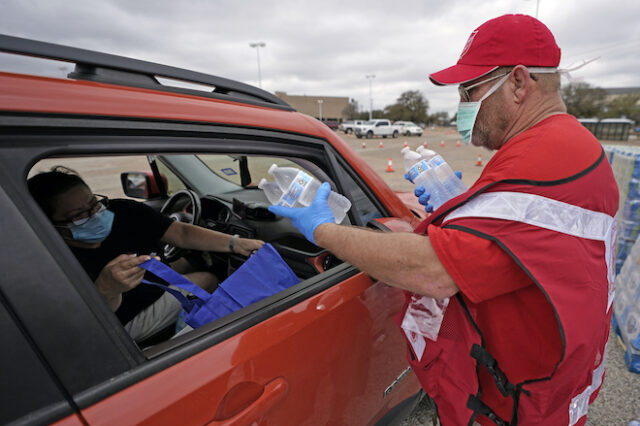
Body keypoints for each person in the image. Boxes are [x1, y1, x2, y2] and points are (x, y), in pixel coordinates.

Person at [268, 14, 618, 426]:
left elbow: (433, 271)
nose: (463, 107)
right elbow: (530, 240)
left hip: (527, 403)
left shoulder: (543, 157)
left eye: (470, 91)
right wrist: (465, 209)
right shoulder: (566, 145)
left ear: (519, 83)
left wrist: (324, 229)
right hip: (545, 382)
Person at [28, 166, 264, 343]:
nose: (94, 215)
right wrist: (105, 291)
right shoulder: (48, 260)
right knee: (208, 279)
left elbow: (179, 232)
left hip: (148, 286)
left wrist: (235, 243)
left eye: (94, 204)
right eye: (79, 215)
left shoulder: (125, 211)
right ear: (49, 224)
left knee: (186, 264)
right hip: (119, 323)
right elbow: (86, 328)